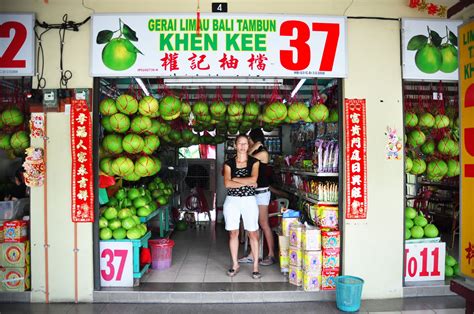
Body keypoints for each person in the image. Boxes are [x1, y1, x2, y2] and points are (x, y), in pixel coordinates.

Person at [223, 134, 261, 279]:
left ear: (248, 146)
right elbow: (227, 184)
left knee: (252, 233)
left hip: (249, 200)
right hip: (232, 200)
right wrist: (248, 182)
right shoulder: (228, 163)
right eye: (240, 143)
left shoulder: (254, 162)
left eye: (245, 143)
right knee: (233, 233)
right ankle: (235, 264)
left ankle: (255, 267)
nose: (243, 146)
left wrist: (235, 179)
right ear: (235, 145)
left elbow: (254, 179)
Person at [239, 128, 276, 266]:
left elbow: (245, 157)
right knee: (252, 224)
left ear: (255, 140)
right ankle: (252, 254)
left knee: (263, 223)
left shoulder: (263, 153)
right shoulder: (255, 152)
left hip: (261, 193)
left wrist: (255, 145)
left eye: (249, 139)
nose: (247, 141)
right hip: (253, 193)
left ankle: (271, 254)